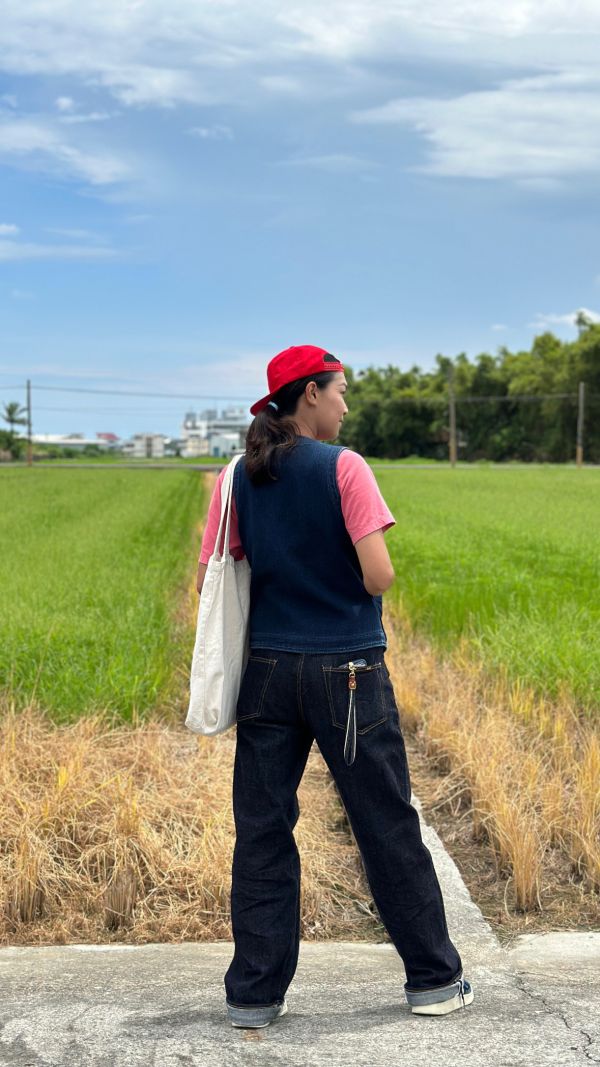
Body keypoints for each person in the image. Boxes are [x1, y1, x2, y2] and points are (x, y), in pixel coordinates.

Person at [196, 344, 474, 1030]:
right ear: (310, 395)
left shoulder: (237, 475)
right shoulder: (344, 468)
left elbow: (218, 564)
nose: (346, 404)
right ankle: (434, 980)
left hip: (266, 672)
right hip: (346, 671)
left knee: (262, 830)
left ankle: (253, 995)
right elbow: (378, 577)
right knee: (384, 823)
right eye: (340, 391)